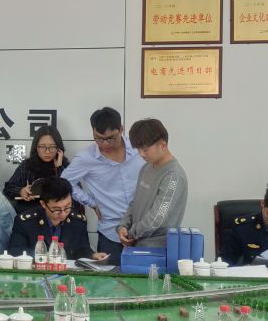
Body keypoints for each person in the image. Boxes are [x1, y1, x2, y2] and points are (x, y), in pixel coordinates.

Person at [62, 107, 144, 263]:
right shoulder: (86, 158)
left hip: (143, 230)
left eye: (111, 138)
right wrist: (91, 202)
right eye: (99, 139)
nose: (105, 143)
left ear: (121, 129)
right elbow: (64, 183)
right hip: (111, 233)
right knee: (110, 277)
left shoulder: (138, 148)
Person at [116, 119, 187, 249]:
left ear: (163, 145)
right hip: (136, 244)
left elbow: (157, 219)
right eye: (138, 149)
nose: (141, 154)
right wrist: (123, 226)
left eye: (145, 149)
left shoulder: (173, 176)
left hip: (157, 249)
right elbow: (135, 202)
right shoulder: (146, 167)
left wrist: (131, 233)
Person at [7, 177, 93, 259]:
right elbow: (15, 252)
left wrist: (93, 256)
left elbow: (84, 251)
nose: (63, 213)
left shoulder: (78, 222)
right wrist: (42, 256)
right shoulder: (25, 222)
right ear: (43, 204)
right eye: (56, 209)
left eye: (67, 207)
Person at [3, 125, 69, 212]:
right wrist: (21, 191)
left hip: (58, 214)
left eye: (52, 146)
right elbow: (8, 188)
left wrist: (59, 168)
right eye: (42, 146)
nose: (47, 151)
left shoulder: (66, 167)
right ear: (36, 147)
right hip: (31, 214)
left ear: (59, 149)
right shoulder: (26, 166)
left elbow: (73, 192)